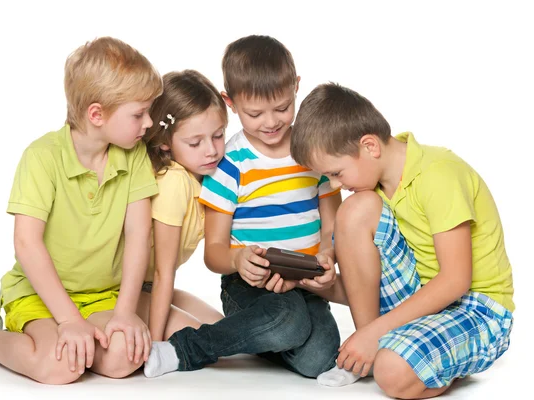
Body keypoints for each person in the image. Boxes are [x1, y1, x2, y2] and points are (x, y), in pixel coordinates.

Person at [0, 37, 163, 384]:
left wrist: (124, 313)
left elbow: (139, 235)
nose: (149, 123)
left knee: (125, 356)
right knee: (59, 367)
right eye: (139, 113)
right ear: (97, 114)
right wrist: (68, 321)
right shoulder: (42, 157)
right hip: (41, 293)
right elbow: (27, 244)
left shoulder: (133, 154)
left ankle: (84, 336)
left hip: (101, 296)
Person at [290, 82, 514, 398]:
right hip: (422, 299)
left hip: (478, 310)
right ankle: (368, 355)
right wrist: (314, 282)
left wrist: (374, 333)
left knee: (392, 372)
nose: (336, 184)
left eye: (337, 173)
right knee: (355, 210)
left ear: (369, 146)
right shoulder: (375, 190)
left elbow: (455, 281)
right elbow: (374, 286)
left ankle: (386, 351)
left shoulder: (438, 175)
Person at [144, 35, 347, 380]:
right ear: (231, 103)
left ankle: (258, 337)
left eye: (282, 108)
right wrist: (238, 260)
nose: (270, 122)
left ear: (296, 87)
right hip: (248, 286)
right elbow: (215, 252)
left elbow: (333, 226)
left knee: (319, 362)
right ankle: (184, 349)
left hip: (306, 286)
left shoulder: (314, 152)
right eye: (255, 113)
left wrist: (328, 254)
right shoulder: (228, 164)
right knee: (287, 323)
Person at [141, 69, 227, 342]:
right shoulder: (174, 182)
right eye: (195, 142)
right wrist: (156, 344)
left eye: (218, 136)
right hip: (126, 289)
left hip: (152, 286)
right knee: (206, 340)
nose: (211, 150)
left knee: (226, 330)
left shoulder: (207, 177)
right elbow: (162, 270)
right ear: (165, 143)